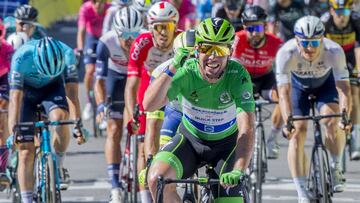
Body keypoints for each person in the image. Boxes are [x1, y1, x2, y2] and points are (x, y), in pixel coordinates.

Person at [143, 17, 255, 202]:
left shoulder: (238, 75)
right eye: (206, 48)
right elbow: (149, 105)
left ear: (230, 51)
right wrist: (173, 66)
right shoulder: (186, 71)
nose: (213, 57)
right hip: (190, 140)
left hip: (226, 147)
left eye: (220, 49)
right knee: (156, 179)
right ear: (196, 49)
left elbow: (247, 128)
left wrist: (238, 169)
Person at [276, 16, 352, 203]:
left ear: (322, 38)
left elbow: (343, 88)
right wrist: (287, 122)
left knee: (332, 121)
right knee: (297, 131)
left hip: (325, 85)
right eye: (305, 42)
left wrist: (345, 116)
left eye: (314, 42)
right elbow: (284, 93)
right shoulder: (286, 53)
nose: (310, 47)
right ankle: (301, 191)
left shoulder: (334, 50)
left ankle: (335, 166)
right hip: (298, 88)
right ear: (296, 40)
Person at [8, 37, 86, 203]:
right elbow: (15, 98)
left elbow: (72, 93)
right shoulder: (21, 58)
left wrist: (77, 123)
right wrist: (13, 130)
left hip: (52, 88)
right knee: (25, 151)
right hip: (26, 93)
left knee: (60, 118)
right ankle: (27, 199)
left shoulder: (67, 54)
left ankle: (57, 164)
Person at [124, 1, 180, 202]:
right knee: (148, 131)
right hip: (152, 83)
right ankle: (147, 188)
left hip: (177, 87)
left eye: (169, 27)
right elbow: (131, 85)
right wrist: (133, 115)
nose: (164, 33)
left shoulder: (182, 40)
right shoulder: (141, 43)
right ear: (150, 28)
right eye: (158, 27)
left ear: (176, 26)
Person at [94, 7, 143, 203]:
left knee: (141, 128)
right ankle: (114, 185)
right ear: (116, 31)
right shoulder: (106, 42)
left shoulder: (145, 39)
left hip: (137, 78)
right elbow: (99, 81)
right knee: (114, 130)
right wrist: (100, 107)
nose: (129, 40)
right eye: (124, 34)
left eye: (134, 34)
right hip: (116, 78)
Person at [232, 5, 284, 159]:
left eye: (258, 28)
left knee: (283, 97)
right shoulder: (238, 39)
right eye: (250, 29)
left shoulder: (276, 43)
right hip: (243, 78)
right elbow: (232, 65)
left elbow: (284, 69)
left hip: (265, 80)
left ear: (265, 26)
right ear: (244, 27)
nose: (254, 33)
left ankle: (273, 138)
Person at [321, 0, 360, 160]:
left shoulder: (356, 20)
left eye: (345, 12)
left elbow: (359, 47)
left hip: (350, 57)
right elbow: (318, 49)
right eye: (338, 12)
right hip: (331, 59)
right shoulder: (324, 22)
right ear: (331, 11)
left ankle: (356, 138)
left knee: (355, 93)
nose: (342, 16)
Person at [77, 0, 110, 121]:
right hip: (92, 39)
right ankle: (89, 103)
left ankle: (104, 104)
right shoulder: (85, 8)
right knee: (90, 70)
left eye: (100, 2)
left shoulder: (110, 8)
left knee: (104, 73)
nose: (97, 5)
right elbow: (81, 31)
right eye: (94, 2)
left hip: (105, 38)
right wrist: (80, 49)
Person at [0, 19, 14, 191]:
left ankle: (2, 168)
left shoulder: (7, 48)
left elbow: (12, 77)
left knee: (2, 115)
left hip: (3, 76)